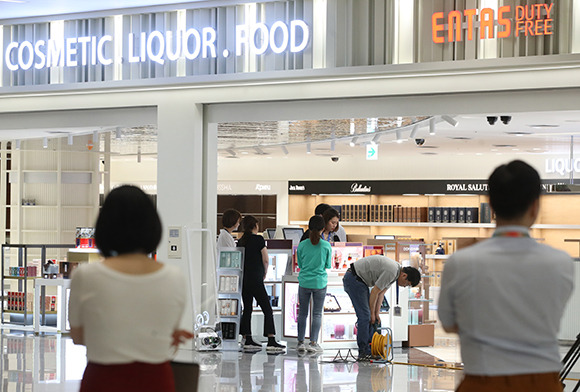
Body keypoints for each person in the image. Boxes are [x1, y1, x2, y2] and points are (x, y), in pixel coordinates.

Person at [438, 160, 574, 392]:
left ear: (491, 205)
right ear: (535, 207)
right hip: (542, 382)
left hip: (482, 382)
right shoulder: (561, 263)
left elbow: (449, 324)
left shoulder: (460, 262)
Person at [68, 185, 194, 392]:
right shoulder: (174, 277)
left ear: (104, 226)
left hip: (103, 380)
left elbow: (78, 336)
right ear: (153, 225)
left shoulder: (86, 276)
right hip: (157, 380)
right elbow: (168, 334)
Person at [342, 254, 420, 360]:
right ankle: (364, 351)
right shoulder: (392, 272)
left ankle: (372, 348)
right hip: (354, 280)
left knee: (373, 319)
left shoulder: (395, 272)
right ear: (404, 276)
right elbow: (374, 292)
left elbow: (381, 294)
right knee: (365, 317)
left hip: (360, 281)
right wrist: (372, 314)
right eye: (407, 284)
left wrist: (376, 314)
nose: (405, 286)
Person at [237, 215, 285, 353]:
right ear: (255, 226)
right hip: (256, 278)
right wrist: (264, 273)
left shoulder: (241, 241)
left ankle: (247, 338)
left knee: (247, 308)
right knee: (267, 308)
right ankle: (271, 340)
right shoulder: (258, 239)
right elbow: (265, 259)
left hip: (244, 279)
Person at [296, 215, 332, 353]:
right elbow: (327, 265)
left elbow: (300, 263)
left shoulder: (302, 245)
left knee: (302, 313)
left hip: (304, 281)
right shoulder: (326, 246)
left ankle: (300, 342)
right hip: (320, 283)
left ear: (308, 228)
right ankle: (313, 342)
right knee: (317, 314)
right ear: (323, 229)